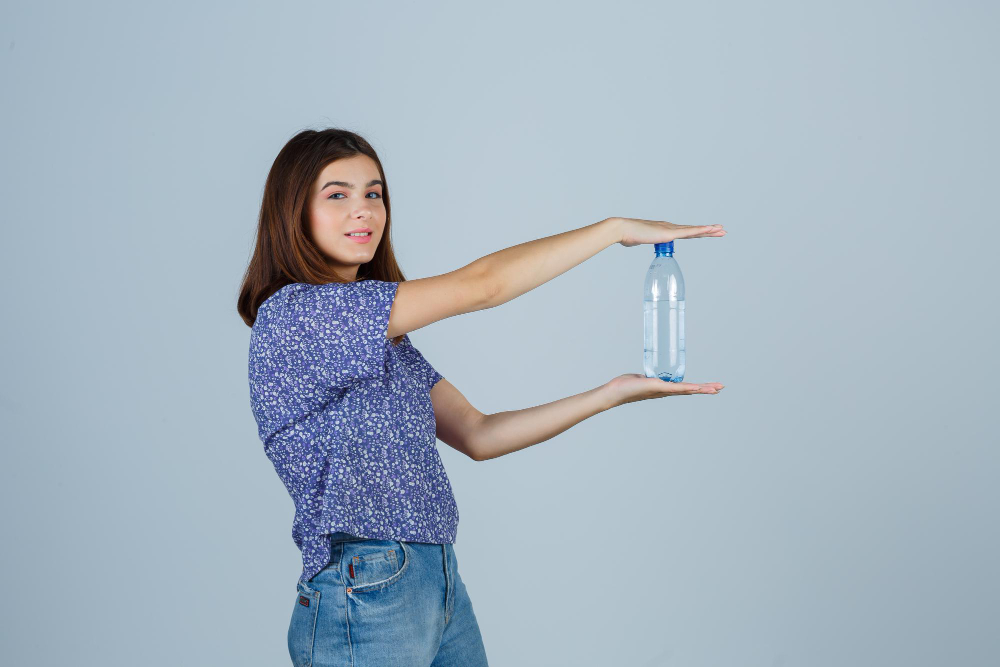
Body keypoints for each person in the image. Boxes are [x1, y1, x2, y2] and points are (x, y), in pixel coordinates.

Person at [236, 128, 726, 667]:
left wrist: (610, 394)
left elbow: (478, 432)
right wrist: (612, 230)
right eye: (337, 194)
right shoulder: (298, 316)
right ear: (292, 212)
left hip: (435, 579)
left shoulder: (385, 341)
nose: (364, 211)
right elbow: (484, 285)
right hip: (366, 588)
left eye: (374, 193)